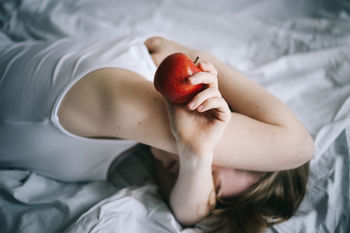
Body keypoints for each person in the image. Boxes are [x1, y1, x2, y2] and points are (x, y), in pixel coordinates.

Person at [0, 35, 314, 233]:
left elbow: (189, 214)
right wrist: (195, 56)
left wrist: (198, 157)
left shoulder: (131, 131)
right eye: (216, 170)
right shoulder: (125, 100)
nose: (200, 180)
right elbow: (298, 146)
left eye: (212, 194)